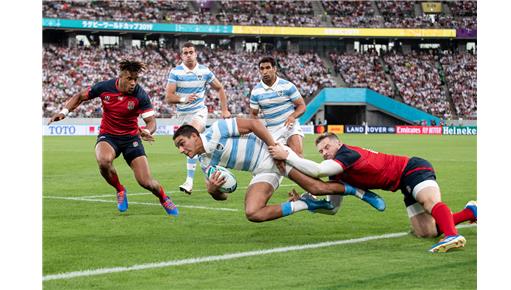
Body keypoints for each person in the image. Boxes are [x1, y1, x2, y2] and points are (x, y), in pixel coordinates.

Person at [268, 132, 477, 253]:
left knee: (429, 202)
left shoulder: (346, 154)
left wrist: (287, 155)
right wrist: (307, 200)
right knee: (426, 232)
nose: (324, 153)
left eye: (327, 147)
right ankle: (471, 212)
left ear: (338, 144)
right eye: (321, 151)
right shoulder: (338, 171)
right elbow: (332, 208)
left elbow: (317, 170)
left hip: (412, 169)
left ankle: (451, 235)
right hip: (401, 184)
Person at [172, 118, 385, 223]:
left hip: (271, 154)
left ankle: (359, 192)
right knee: (253, 213)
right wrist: (213, 191)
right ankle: (304, 204)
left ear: (194, 136)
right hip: (261, 171)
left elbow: (254, 124)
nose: (182, 150)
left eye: (182, 143)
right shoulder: (205, 164)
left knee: (317, 187)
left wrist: (274, 147)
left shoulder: (217, 130)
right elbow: (224, 196)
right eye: (178, 147)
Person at [48, 60, 178, 216]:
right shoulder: (104, 87)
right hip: (108, 135)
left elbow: (151, 122)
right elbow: (80, 96)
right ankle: (120, 190)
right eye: (130, 79)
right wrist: (64, 112)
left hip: (131, 139)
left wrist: (147, 131)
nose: (133, 83)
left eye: (135, 79)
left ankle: (163, 197)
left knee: (146, 182)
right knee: (103, 161)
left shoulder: (140, 94)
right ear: (121, 77)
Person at [165, 42, 231, 194]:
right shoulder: (176, 72)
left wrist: (225, 110)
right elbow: (168, 97)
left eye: (191, 52)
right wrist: (183, 99)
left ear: (196, 54)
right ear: (181, 55)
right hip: (182, 115)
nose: (188, 55)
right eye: (185, 52)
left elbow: (220, 88)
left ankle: (189, 182)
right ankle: (214, 177)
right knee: (200, 149)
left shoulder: (204, 71)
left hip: (199, 112)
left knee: (191, 140)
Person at [250, 56, 306, 156]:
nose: (265, 71)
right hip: (272, 130)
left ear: (275, 69)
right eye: (262, 69)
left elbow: (301, 106)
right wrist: (260, 129)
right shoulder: (255, 92)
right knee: (278, 162)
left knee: (297, 155)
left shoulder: (287, 85)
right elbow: (253, 115)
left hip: (290, 126)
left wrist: (293, 116)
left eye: (268, 68)